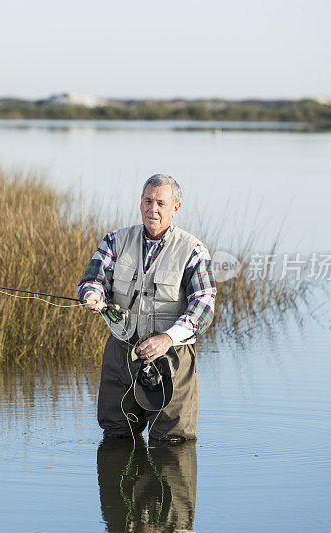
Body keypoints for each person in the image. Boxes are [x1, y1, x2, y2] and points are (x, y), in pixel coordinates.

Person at [78, 174, 216, 444]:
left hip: (172, 356)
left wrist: (166, 339)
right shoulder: (115, 240)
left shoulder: (194, 250)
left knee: (173, 441)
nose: (153, 209)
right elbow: (92, 280)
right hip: (121, 352)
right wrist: (92, 295)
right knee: (116, 435)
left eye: (161, 203)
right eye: (148, 201)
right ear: (140, 203)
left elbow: (204, 306)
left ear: (175, 208)